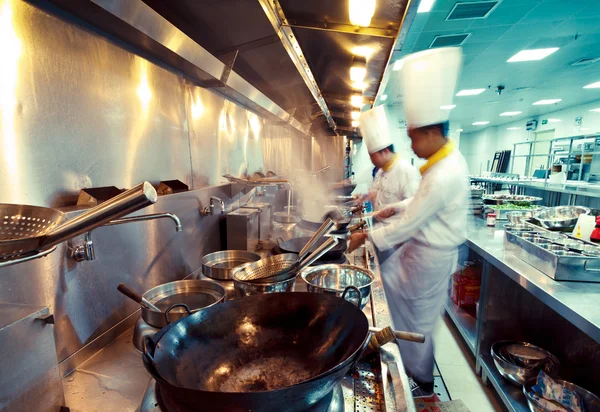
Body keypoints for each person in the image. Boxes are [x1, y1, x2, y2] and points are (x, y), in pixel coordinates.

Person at [348, 47, 469, 397]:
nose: (411, 145)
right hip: (420, 252)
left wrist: (366, 237)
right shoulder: (443, 164)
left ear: (430, 133)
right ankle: (407, 365)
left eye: (414, 136)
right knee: (400, 305)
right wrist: (391, 210)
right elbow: (416, 207)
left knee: (418, 320)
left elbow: (412, 221)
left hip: (429, 257)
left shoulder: (444, 173)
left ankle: (421, 383)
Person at [358, 105, 420, 213]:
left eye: (372, 156)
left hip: (397, 229)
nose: (371, 160)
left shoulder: (406, 171)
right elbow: (379, 197)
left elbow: (413, 208)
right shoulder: (380, 171)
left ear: (385, 151)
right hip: (379, 226)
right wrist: (368, 196)